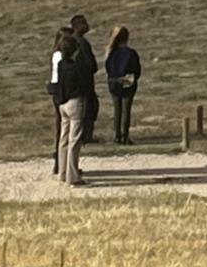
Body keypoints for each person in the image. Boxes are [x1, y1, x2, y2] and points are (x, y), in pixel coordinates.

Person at [51, 29, 86, 186]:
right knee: (75, 139)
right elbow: (83, 84)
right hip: (74, 102)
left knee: (63, 139)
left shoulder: (60, 65)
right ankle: (73, 175)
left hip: (62, 103)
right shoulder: (77, 67)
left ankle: (62, 172)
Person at [103, 26, 140, 145]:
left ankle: (117, 135)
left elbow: (108, 68)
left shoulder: (111, 53)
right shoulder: (131, 53)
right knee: (126, 110)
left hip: (114, 82)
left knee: (117, 110)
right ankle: (125, 135)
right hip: (127, 82)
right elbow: (136, 69)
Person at [70, 15, 100, 144]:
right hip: (85, 80)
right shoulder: (81, 42)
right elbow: (89, 63)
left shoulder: (72, 41)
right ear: (76, 26)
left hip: (77, 80)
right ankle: (86, 136)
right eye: (83, 24)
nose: (86, 25)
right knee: (89, 107)